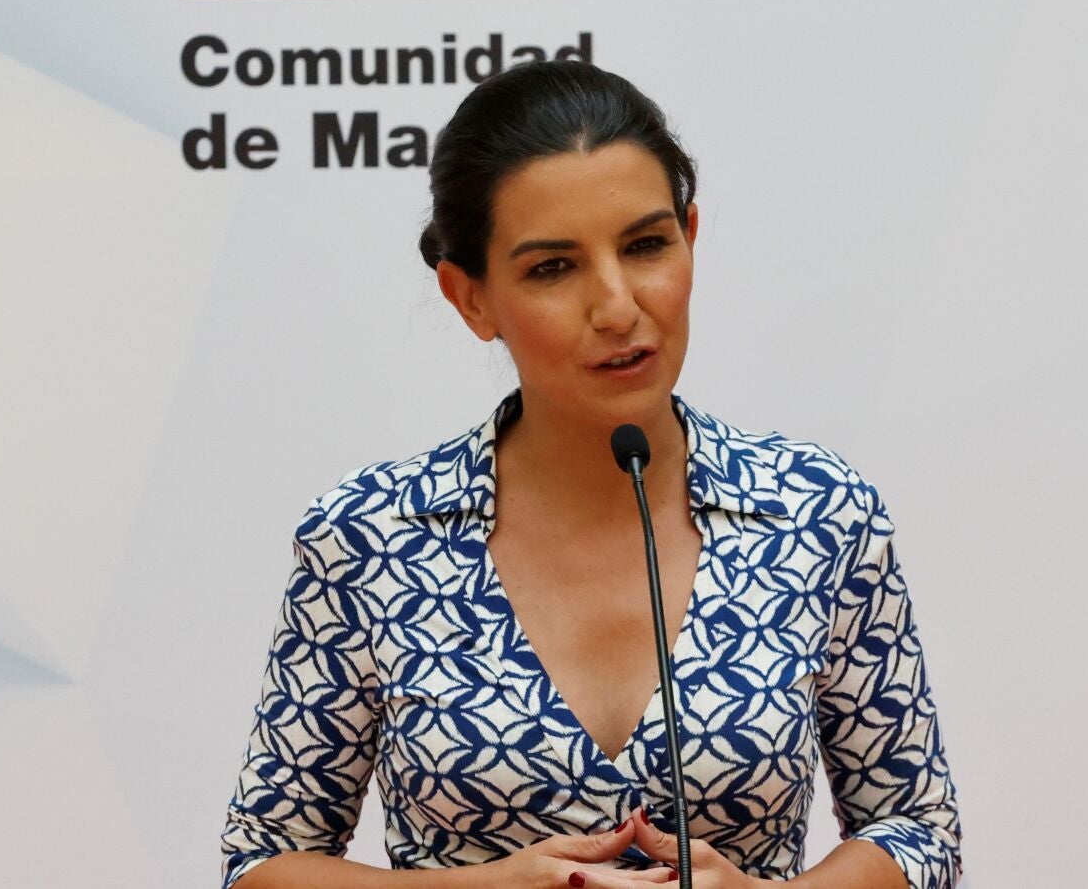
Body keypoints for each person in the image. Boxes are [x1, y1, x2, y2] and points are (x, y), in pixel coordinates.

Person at [219, 60, 962, 889]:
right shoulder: (369, 535)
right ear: (470, 298)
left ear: (690, 235)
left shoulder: (817, 512)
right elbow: (260, 862)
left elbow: (920, 829)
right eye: (552, 268)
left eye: (646, 246)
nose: (617, 307)